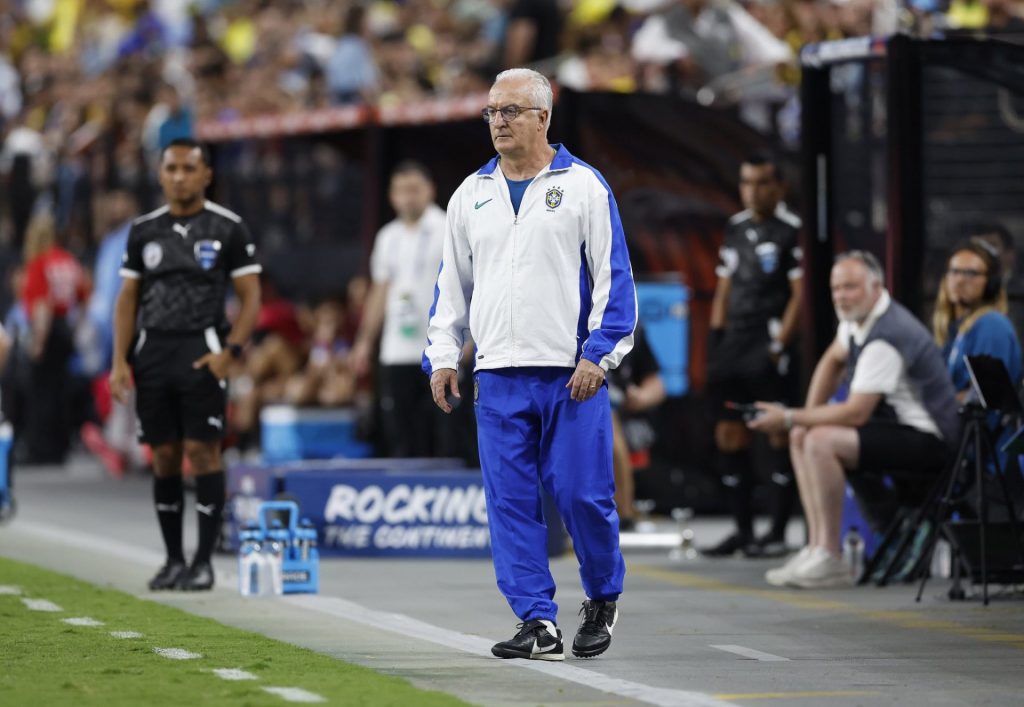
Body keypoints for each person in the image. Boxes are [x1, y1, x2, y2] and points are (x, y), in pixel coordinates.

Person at [424, 68, 636, 660]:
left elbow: (616, 284)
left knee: (579, 494)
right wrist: (444, 356)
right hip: (495, 374)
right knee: (510, 503)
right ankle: (536, 621)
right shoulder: (471, 194)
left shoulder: (585, 186)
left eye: (511, 111)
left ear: (544, 117)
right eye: (491, 112)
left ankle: (601, 595)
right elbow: (451, 287)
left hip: (572, 376)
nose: (498, 122)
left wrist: (600, 353)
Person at [750, 251, 960, 589]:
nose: (841, 297)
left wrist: (790, 416)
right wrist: (804, 418)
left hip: (930, 441)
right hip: (900, 429)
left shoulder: (888, 334)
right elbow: (833, 360)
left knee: (819, 440)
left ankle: (831, 556)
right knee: (803, 434)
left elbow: (855, 412)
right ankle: (817, 545)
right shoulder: (858, 319)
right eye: (836, 289)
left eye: (850, 288)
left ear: (876, 287)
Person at [110, 137, 261, 592]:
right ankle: (173, 559)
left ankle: (203, 562)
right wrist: (119, 361)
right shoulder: (143, 230)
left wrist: (230, 353)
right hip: (153, 352)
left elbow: (251, 296)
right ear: (160, 174)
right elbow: (128, 298)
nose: (179, 176)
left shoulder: (228, 227)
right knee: (164, 456)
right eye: (171, 168)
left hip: (202, 351)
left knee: (203, 452)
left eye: (188, 168)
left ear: (206, 174)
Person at [702, 154, 802, 558]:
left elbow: (800, 295)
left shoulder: (792, 231)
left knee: (777, 432)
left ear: (779, 187)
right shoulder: (735, 227)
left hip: (769, 341)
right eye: (746, 183)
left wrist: (779, 346)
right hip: (733, 345)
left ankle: (776, 532)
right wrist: (715, 336)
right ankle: (743, 531)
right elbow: (724, 286)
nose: (753, 191)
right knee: (729, 433)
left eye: (761, 183)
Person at [349, 162, 449, 457]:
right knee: (401, 432)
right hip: (396, 349)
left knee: (442, 430)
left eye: (414, 189)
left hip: (439, 348)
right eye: (401, 190)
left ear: (430, 190)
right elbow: (380, 291)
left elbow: (468, 282)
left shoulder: (446, 227)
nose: (408, 197)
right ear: (391, 196)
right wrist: (364, 341)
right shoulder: (387, 237)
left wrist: (469, 338)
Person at [20, 212, 89, 465]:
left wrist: (38, 340)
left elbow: (42, 305)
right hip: (65, 331)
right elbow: (83, 298)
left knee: (41, 392)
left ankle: (41, 448)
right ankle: (60, 447)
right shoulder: (68, 261)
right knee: (61, 389)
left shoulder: (40, 263)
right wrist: (76, 329)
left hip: (47, 329)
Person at [933, 238, 1022, 400]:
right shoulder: (955, 328)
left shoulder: (992, 325)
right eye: (954, 271)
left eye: (971, 273)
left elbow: (986, 401)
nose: (959, 280)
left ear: (991, 284)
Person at [608, 325, 666, 531]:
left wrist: (641, 397)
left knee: (608, 427)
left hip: (616, 408)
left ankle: (623, 513)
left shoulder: (630, 329)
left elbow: (656, 385)